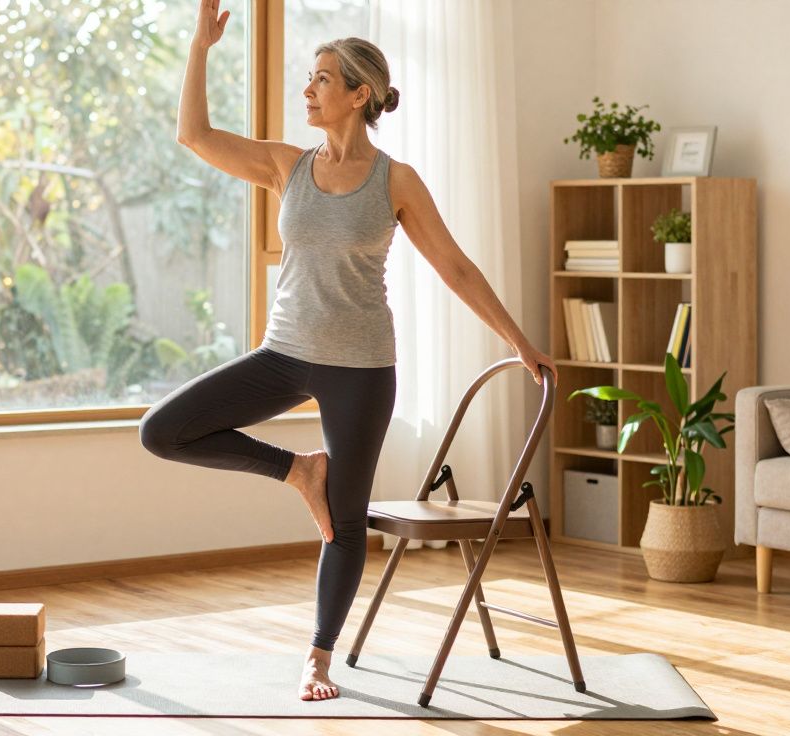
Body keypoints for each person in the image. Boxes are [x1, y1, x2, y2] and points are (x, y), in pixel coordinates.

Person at [138, 0, 558, 703]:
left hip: (363, 369)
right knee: (164, 429)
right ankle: (299, 470)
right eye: (310, 78)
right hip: (286, 353)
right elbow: (193, 135)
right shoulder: (286, 165)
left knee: (347, 520)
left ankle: (318, 659)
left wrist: (520, 342)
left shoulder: (395, 181)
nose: (309, 89)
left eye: (323, 79)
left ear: (359, 94)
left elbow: (454, 266)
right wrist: (200, 47)